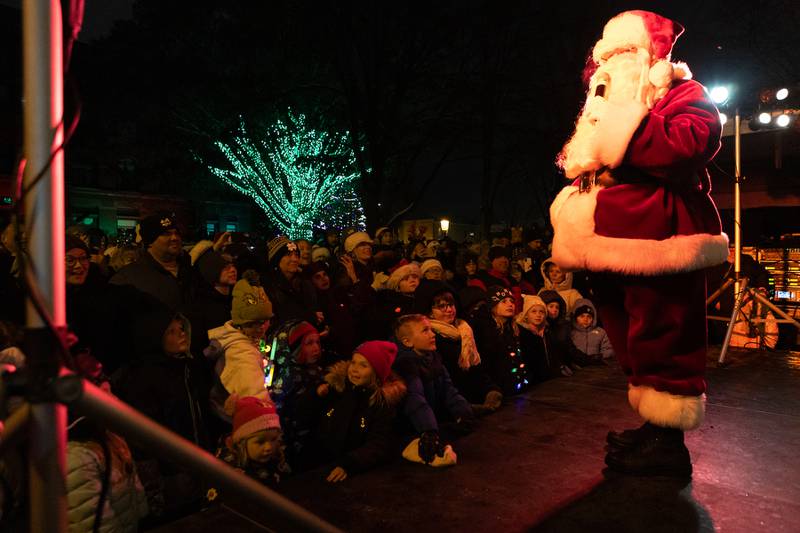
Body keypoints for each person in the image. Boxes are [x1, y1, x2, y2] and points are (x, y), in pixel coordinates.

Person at [550, 10, 729, 477]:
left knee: (664, 334)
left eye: (624, 52)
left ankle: (669, 445)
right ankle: (655, 427)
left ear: (651, 56)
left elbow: (690, 143)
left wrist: (625, 124)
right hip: (607, 237)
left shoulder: (684, 93)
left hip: (660, 238)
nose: (610, 64)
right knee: (630, 335)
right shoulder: (605, 103)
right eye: (605, 56)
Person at [296, 341, 407, 480]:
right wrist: (315, 395)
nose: (354, 369)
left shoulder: (381, 404)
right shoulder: (337, 388)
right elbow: (304, 415)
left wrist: (350, 463)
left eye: (363, 365)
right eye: (353, 362)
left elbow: (379, 443)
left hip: (346, 467)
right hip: (318, 462)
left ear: (376, 372)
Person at [392, 314, 473, 466]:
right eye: (425, 331)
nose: (432, 334)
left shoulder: (433, 357)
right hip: (413, 426)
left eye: (431, 329)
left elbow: (449, 390)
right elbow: (415, 401)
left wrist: (463, 411)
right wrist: (429, 431)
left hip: (430, 421)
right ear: (407, 342)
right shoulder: (405, 365)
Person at [417, 281, 502, 412]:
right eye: (441, 307)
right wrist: (461, 406)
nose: (449, 310)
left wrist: (491, 390)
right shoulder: (430, 338)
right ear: (430, 312)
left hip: (476, 400)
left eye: (451, 305)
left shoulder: (465, 330)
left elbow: (476, 371)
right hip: (453, 406)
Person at [206, 272, 275, 420]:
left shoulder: (246, 340)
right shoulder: (241, 352)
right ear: (239, 323)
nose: (260, 328)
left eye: (264, 321)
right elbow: (256, 399)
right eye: (252, 324)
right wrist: (269, 421)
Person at [110, 212, 196, 313]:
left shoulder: (191, 270)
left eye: (177, 233)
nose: (175, 238)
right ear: (150, 241)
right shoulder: (127, 279)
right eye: (166, 234)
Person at [215, 397, 289, 488]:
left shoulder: (278, 454)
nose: (269, 447)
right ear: (242, 443)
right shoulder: (229, 473)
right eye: (260, 442)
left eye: (273, 439)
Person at [470, 287, 529, 395]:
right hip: (498, 392)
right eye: (503, 302)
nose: (510, 304)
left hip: (518, 391)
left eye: (512, 301)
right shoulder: (484, 329)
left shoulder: (512, 328)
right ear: (493, 306)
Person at [515, 294, 569, 382]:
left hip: (549, 379)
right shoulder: (522, 332)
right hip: (533, 381)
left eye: (541, 312)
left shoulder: (547, 331)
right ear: (526, 315)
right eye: (534, 311)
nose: (538, 315)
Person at [570, 299, 614, 363]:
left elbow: (608, 349)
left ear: (593, 318)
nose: (585, 319)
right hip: (577, 367)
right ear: (575, 318)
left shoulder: (601, 332)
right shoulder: (570, 332)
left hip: (596, 367)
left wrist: (599, 357)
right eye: (582, 316)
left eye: (589, 316)